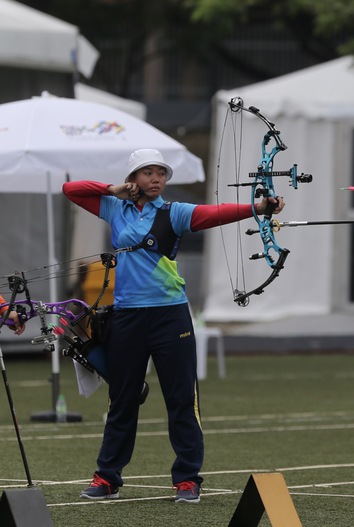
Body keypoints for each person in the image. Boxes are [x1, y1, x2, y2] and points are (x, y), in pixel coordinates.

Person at [63, 148, 285, 504]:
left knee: (181, 399)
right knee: (122, 400)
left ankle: (187, 479)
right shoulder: (114, 208)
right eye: (147, 173)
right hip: (128, 317)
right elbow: (71, 190)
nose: (156, 179)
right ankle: (107, 478)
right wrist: (112, 189)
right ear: (133, 178)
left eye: (161, 173)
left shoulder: (175, 212)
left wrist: (257, 208)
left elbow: (214, 214)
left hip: (170, 316)